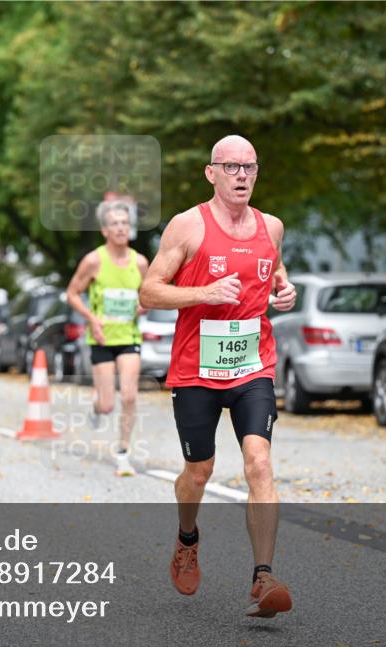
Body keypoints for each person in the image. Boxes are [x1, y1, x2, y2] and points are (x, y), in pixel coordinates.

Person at [139, 135, 298, 617]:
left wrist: (284, 290)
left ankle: (262, 577)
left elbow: (274, 273)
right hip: (196, 368)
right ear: (211, 173)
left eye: (250, 166)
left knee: (260, 463)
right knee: (199, 471)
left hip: (252, 364)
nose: (242, 175)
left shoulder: (272, 226)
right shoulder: (188, 226)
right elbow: (149, 292)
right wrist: (204, 293)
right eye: (231, 167)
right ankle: (188, 537)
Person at [66, 200, 149, 477]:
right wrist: (92, 318)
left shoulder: (139, 262)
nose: (121, 228)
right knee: (107, 404)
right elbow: (72, 293)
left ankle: (123, 453)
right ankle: (96, 404)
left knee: (128, 395)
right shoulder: (93, 260)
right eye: (115, 223)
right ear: (104, 230)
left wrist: (143, 305)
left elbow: (149, 294)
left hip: (128, 337)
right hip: (101, 339)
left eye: (125, 223)